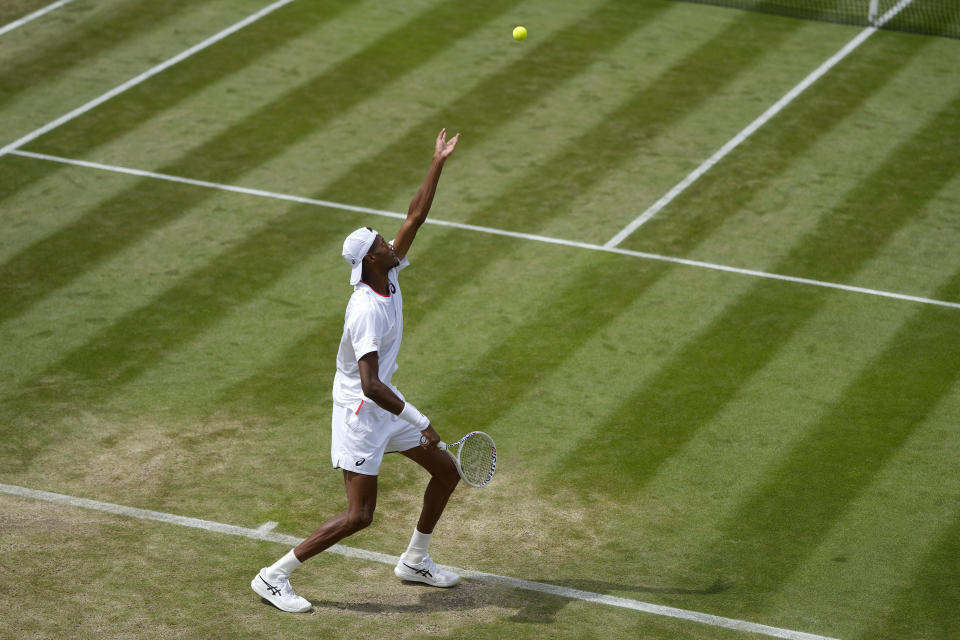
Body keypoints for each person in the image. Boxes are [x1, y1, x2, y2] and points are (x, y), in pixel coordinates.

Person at [251, 128, 462, 613]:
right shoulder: (366, 308)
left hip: (385, 403)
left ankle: (415, 559)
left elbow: (415, 215)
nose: (393, 241)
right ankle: (273, 576)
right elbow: (368, 383)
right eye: (383, 242)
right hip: (362, 413)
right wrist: (420, 420)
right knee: (359, 515)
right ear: (371, 258)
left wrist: (437, 161)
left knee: (446, 472)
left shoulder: (386, 270)